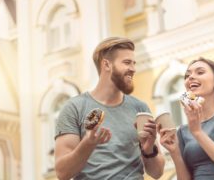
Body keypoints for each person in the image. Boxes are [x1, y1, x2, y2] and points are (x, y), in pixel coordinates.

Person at [54, 37, 165, 180]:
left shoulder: (140, 108)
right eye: (127, 62)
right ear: (106, 65)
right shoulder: (74, 108)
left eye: (133, 63)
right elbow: (62, 173)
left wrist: (148, 149)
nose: (133, 69)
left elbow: (157, 173)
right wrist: (88, 143)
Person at [159, 57, 214, 180]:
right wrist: (175, 153)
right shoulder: (183, 131)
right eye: (187, 75)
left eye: (200, 72)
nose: (190, 77)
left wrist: (198, 133)